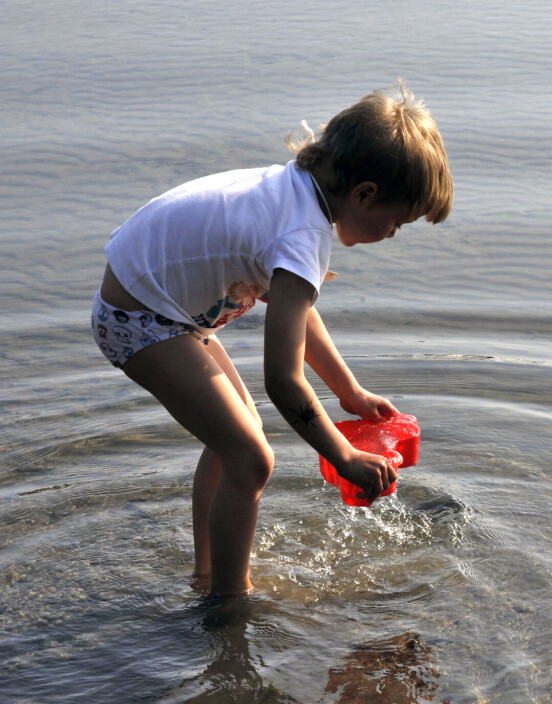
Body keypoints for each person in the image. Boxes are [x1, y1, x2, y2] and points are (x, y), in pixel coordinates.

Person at [91, 82, 452, 597]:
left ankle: (207, 574)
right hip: (140, 318)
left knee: (237, 437)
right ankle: (228, 601)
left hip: (154, 304)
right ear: (364, 193)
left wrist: (348, 393)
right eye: (396, 221)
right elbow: (283, 381)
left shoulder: (295, 193)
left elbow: (297, 314)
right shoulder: (301, 234)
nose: (393, 233)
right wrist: (344, 456)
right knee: (251, 456)